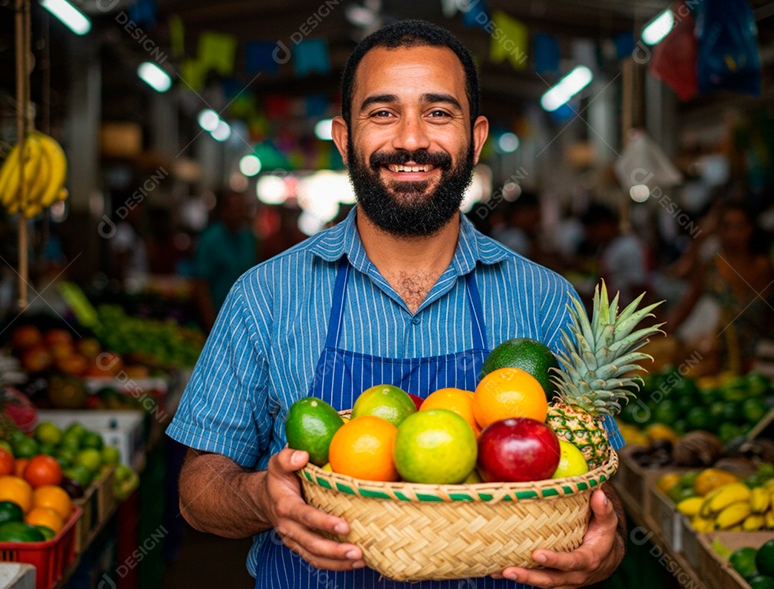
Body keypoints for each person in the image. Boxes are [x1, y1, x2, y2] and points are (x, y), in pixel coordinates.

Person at [168, 21, 626, 588]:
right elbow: (197, 491)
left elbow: (602, 493)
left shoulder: (545, 301)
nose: (411, 140)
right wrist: (266, 499)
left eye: (438, 113)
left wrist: (605, 550)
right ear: (343, 137)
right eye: (382, 113)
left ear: (476, 137)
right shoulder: (264, 297)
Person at [665, 202, 774, 372]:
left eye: (740, 227)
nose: (733, 234)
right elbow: (689, 302)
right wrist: (666, 331)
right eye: (726, 227)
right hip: (719, 358)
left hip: (758, 358)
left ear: (751, 229)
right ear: (718, 231)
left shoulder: (764, 268)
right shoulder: (711, 267)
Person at [193, 191, 256, 329]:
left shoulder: (248, 238)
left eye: (243, 208)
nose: (241, 213)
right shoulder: (210, 240)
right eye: (237, 208)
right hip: (217, 316)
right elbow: (201, 283)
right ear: (224, 210)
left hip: (242, 318)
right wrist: (211, 321)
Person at [581, 203, 648, 303]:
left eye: (593, 230)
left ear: (605, 225)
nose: (590, 235)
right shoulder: (607, 246)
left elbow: (638, 287)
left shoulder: (627, 248)